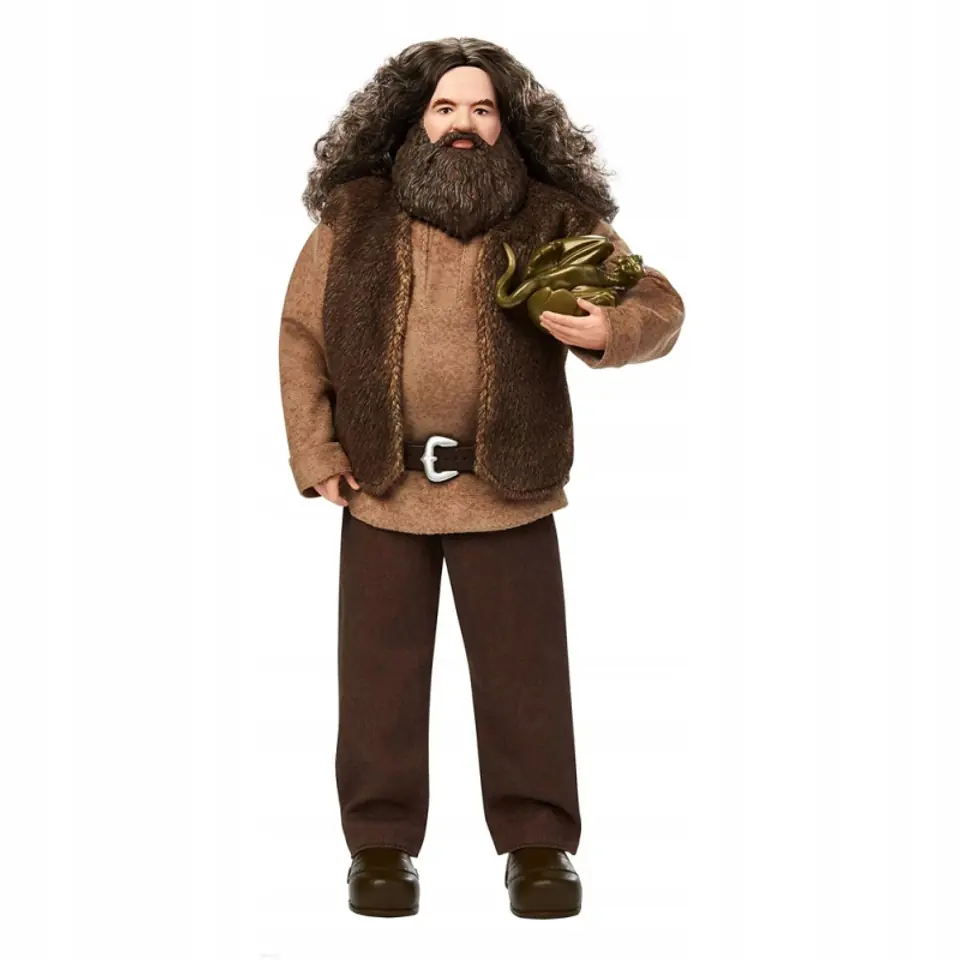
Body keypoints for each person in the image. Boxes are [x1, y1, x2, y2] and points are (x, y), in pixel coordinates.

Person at [278, 37, 685, 919]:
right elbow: (302, 337)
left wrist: (610, 329)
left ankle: (539, 844)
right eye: (445, 107)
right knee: (378, 676)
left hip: (511, 486)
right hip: (382, 488)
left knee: (524, 672)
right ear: (412, 120)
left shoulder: (553, 219)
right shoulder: (353, 219)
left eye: (483, 108)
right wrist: (317, 451)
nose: (463, 122)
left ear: (509, 124)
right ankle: (380, 845)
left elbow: (657, 301)